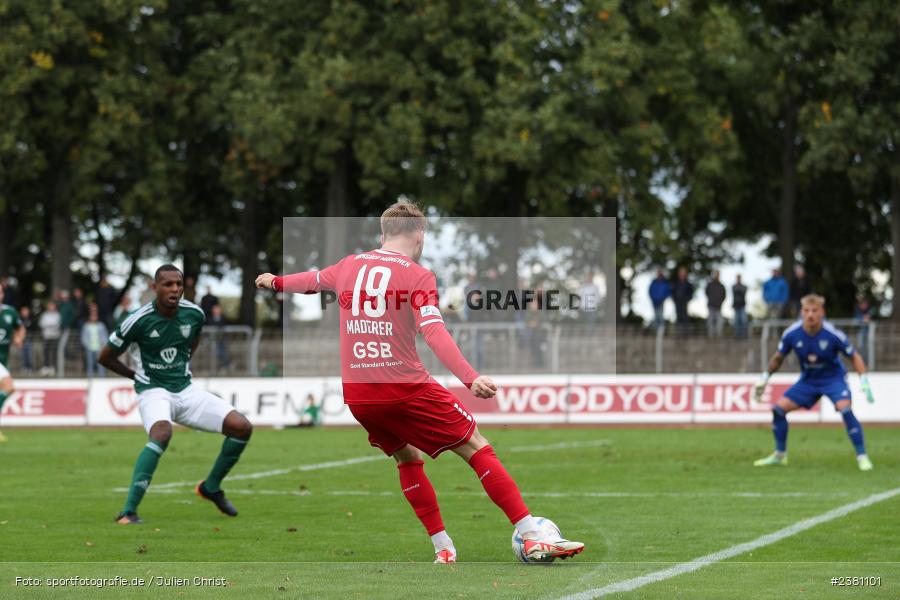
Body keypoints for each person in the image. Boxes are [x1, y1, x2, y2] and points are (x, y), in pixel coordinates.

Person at [255, 200, 583, 564]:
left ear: (383, 234)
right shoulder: (417, 275)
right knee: (477, 448)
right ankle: (533, 536)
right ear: (420, 235)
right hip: (404, 386)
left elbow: (311, 282)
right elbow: (434, 331)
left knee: (406, 457)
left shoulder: (348, 265)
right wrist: (470, 378)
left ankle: (443, 548)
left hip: (359, 394)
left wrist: (276, 282)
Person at [98, 264, 253, 525]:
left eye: (178, 284)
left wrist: (182, 364)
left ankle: (211, 488)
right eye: (168, 284)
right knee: (162, 433)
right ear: (154, 287)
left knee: (241, 427)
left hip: (186, 390)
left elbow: (193, 340)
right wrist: (135, 376)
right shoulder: (137, 320)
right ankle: (128, 512)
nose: (175, 289)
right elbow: (105, 357)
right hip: (153, 391)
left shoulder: (194, 314)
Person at [752, 294, 875, 471]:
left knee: (845, 408)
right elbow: (779, 357)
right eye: (806, 311)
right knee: (778, 410)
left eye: (814, 311)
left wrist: (863, 379)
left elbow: (854, 356)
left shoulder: (833, 334)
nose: (810, 315)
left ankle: (862, 456)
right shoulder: (791, 334)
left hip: (833, 378)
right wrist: (765, 377)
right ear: (801, 312)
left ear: (822, 312)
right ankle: (780, 455)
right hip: (808, 380)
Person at [0, 286, 26, 442]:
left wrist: (19, 338)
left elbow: (20, 328)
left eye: (1, 292)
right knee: (9, 387)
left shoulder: (10, 312)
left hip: (3, 360)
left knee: (5, 390)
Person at [80, 304, 108, 379]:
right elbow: (83, 337)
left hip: (99, 347)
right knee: (90, 364)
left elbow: (105, 336)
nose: (94, 317)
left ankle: (102, 378)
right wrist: (87, 345)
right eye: (92, 316)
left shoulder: (101, 325)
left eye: (95, 316)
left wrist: (103, 345)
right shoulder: (86, 326)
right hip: (89, 347)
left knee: (100, 364)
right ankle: (90, 378)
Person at [38, 301, 61, 376]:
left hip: (55, 336)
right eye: (50, 306)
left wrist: (49, 325)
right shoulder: (44, 315)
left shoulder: (57, 315)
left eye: (52, 306)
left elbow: (57, 324)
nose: (51, 307)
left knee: (54, 352)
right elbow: (42, 324)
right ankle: (46, 367)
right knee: (46, 352)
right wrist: (50, 325)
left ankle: (53, 368)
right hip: (46, 336)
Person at [671, 267, 693, 337]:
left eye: (683, 273)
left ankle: (686, 334)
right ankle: (679, 334)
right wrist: (675, 300)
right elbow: (673, 293)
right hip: (677, 303)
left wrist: (686, 300)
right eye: (681, 273)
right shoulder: (676, 284)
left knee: (685, 318)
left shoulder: (688, 284)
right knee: (678, 318)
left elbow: (690, 294)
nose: (682, 274)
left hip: (684, 303)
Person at [209, 303, 231, 372]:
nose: (216, 310)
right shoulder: (210, 318)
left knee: (223, 352)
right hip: (213, 339)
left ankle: (226, 365)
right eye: (215, 309)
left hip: (222, 339)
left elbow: (223, 326)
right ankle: (218, 367)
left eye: (217, 309)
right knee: (216, 352)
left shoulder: (223, 317)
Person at [705, 270, 726, 338]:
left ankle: (718, 336)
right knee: (710, 321)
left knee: (719, 321)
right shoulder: (709, 285)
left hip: (718, 307)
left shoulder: (721, 286)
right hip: (711, 306)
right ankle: (711, 336)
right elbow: (706, 293)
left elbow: (724, 296)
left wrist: (720, 302)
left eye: (717, 274)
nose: (716, 276)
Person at [854, 297, 873, 364]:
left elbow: (869, 319)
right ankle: (861, 362)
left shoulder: (870, 310)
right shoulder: (858, 311)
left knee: (868, 348)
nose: (865, 306)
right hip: (861, 332)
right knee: (860, 347)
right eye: (864, 304)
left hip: (868, 332)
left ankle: (867, 362)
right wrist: (864, 319)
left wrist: (866, 319)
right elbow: (859, 320)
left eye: (866, 304)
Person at [18, 305, 34, 373]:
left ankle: (29, 367)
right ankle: (24, 367)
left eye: (26, 311)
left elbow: (33, 328)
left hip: (28, 339)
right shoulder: (19, 320)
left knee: (29, 354)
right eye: (23, 311)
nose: (24, 312)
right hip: (22, 340)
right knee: (23, 355)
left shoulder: (31, 319)